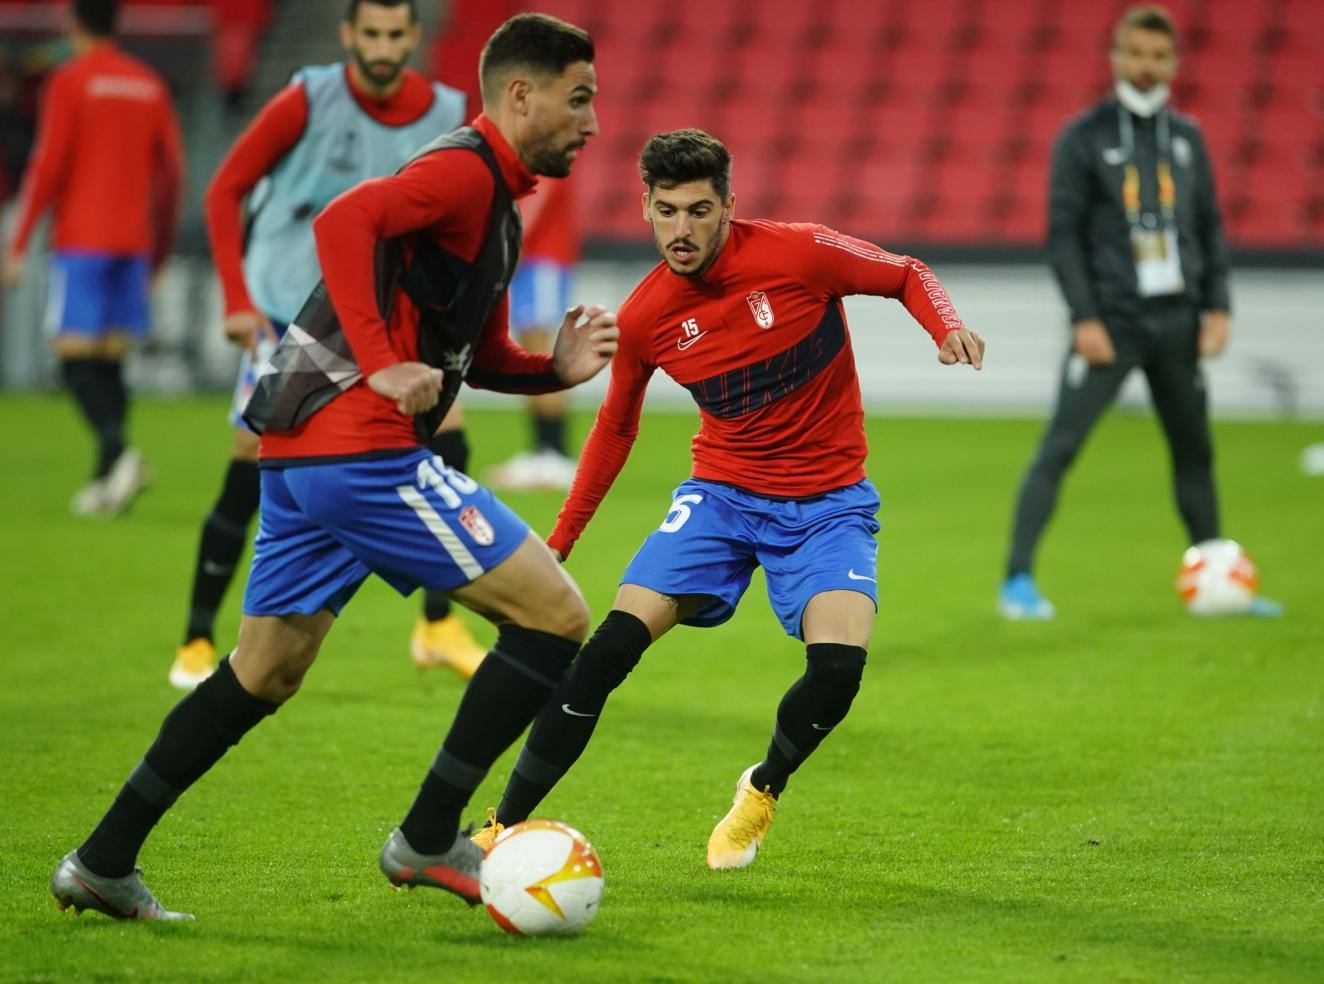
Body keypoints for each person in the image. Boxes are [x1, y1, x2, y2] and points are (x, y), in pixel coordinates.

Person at [50, 12, 615, 921]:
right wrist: (381, 358)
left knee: (261, 672)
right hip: (362, 452)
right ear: (521, 95)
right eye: (579, 99)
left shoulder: (496, 205)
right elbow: (346, 217)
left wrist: (550, 371)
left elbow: (473, 352)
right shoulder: (460, 170)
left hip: (304, 454)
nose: (591, 122)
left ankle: (102, 860)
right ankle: (431, 838)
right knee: (556, 616)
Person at [471, 129, 986, 870]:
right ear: (645, 206)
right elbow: (615, 431)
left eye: (699, 211)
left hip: (829, 504)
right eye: (667, 211)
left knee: (837, 671)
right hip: (722, 498)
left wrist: (948, 327)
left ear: (728, 208)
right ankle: (500, 828)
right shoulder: (647, 315)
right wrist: (562, 539)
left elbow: (905, 271)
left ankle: (762, 790)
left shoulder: (798, 253)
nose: (681, 230)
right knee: (604, 653)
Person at [172, 0, 480, 691]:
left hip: (381, 325)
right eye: (369, 33)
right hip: (289, 317)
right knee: (250, 461)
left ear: (413, 37)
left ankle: (437, 624)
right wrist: (235, 299)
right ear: (347, 35)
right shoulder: (307, 98)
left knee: (447, 434)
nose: (382, 46)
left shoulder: (448, 114)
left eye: (395, 34)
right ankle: (195, 636)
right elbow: (226, 189)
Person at [998, 5, 1279, 620]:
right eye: (1136, 54)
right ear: (1117, 57)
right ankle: (1017, 582)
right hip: (1111, 324)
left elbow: (1208, 226)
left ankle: (1216, 573)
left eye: (1158, 56)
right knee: (1060, 447)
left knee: (1194, 451)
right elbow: (1064, 235)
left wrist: (1219, 306)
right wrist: (1084, 317)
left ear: (1173, 63)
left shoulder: (1187, 138)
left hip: (1178, 321)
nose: (1146, 66)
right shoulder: (1084, 137)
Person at [2, 0, 182, 517]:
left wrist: (18, 243)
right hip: (135, 242)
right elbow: (171, 174)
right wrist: (161, 249)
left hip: (83, 238)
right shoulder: (148, 83)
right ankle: (108, 478)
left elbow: (48, 163)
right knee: (109, 359)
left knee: (73, 358)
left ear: (73, 24)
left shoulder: (69, 80)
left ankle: (120, 454)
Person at [486, 175, 581, 490]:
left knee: (544, 354)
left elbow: (532, 203)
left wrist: (509, 244)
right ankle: (544, 452)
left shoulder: (545, 157)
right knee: (531, 355)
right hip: (533, 259)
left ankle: (556, 455)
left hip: (542, 258)